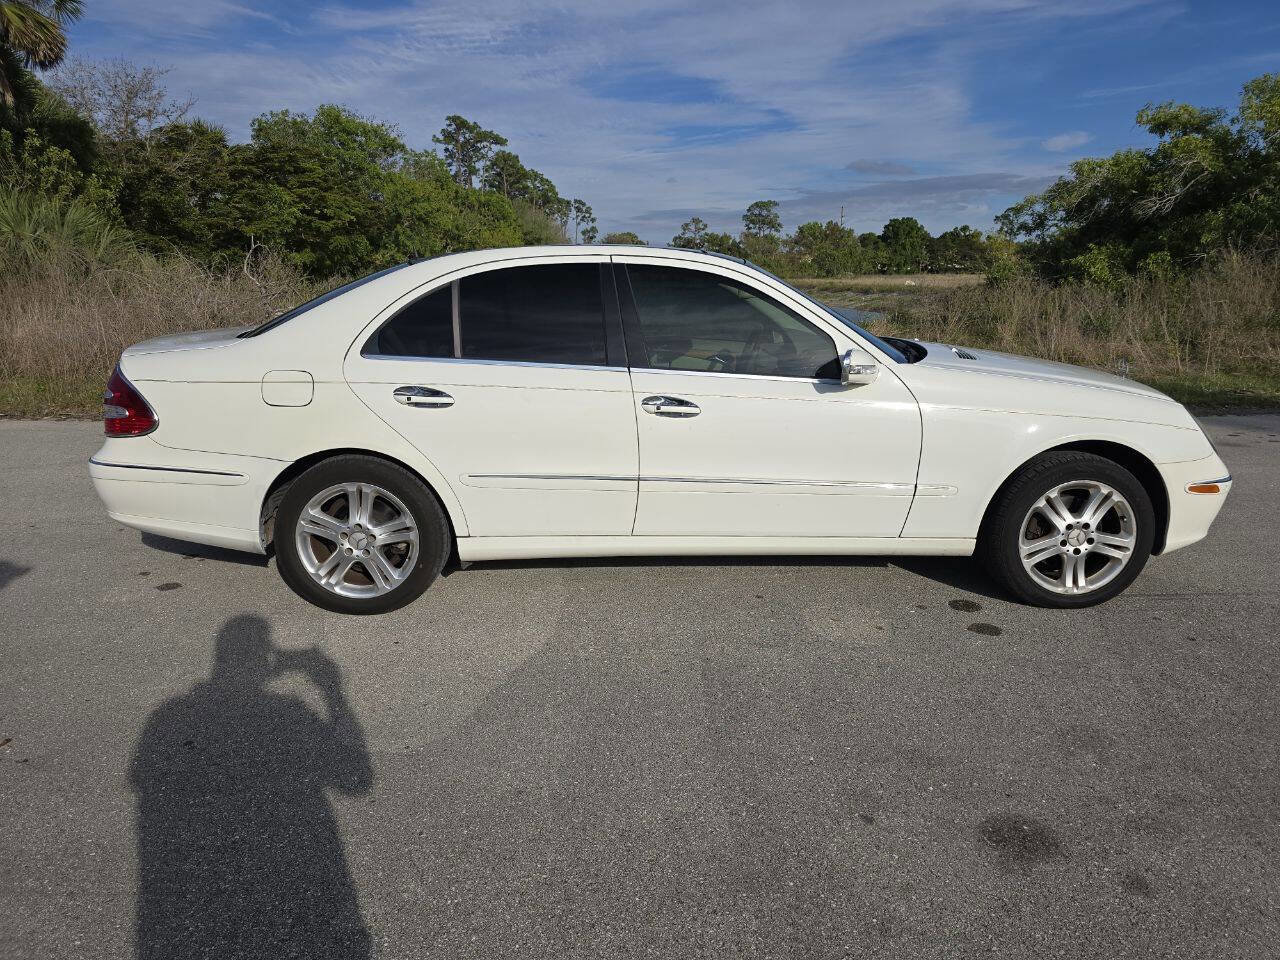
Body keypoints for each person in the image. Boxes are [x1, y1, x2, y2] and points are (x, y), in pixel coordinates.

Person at [130, 615, 374, 959]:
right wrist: (332, 690)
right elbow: (356, 780)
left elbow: (148, 784)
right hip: (295, 880)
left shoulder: (168, 716)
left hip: (191, 895)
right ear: (262, 661)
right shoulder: (289, 713)